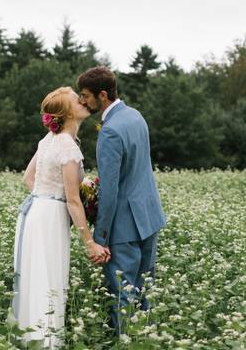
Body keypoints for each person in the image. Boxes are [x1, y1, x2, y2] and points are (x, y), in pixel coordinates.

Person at [12, 86, 111, 348]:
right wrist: (90, 242)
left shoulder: (48, 140)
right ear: (68, 113)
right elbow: (72, 199)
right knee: (50, 280)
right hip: (51, 216)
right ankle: (46, 342)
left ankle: (33, 339)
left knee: (38, 277)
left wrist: (47, 196)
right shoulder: (67, 147)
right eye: (76, 100)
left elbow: (29, 179)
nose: (82, 101)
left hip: (36, 212)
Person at [77, 66, 167, 333]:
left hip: (124, 227)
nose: (83, 101)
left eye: (85, 96)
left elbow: (111, 190)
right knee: (145, 294)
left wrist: (100, 238)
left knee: (123, 298)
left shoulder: (110, 131)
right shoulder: (135, 116)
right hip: (149, 218)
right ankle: (147, 339)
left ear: (102, 95)